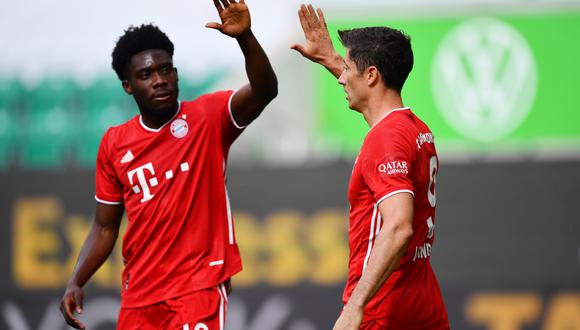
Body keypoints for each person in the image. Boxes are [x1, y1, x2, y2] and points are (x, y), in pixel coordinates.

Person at [59, 0, 277, 328]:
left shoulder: (208, 116)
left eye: (166, 69)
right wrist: (76, 279)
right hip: (139, 296)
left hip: (198, 287)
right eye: (146, 74)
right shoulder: (115, 143)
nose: (160, 80)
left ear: (175, 72)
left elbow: (265, 90)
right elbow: (105, 228)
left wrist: (245, 38)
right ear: (128, 86)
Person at [292, 4, 449, 330]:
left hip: (382, 307)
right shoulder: (416, 129)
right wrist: (332, 60)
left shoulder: (384, 138)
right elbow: (368, 90)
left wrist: (356, 306)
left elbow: (398, 226)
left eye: (348, 68)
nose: (342, 79)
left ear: (372, 75)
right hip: (422, 299)